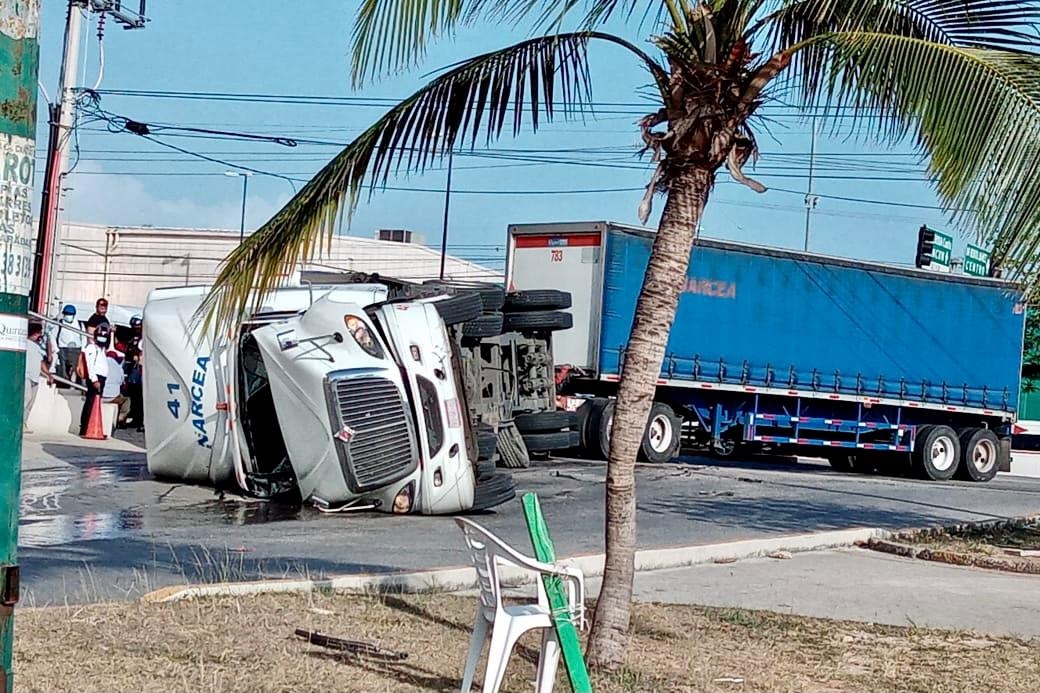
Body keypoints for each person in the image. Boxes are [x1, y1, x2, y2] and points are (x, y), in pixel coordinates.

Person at [79, 323, 111, 437]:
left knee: (95, 403)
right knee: (90, 402)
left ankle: (93, 427)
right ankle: (85, 428)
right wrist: (94, 380)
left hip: (101, 377)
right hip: (95, 378)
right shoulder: (91, 348)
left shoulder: (101, 349)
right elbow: (90, 365)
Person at [24, 322, 54, 433]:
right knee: (25, 400)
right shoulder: (24, 343)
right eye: (39, 333)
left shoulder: (38, 346)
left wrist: (48, 375)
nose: (40, 335)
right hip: (26, 376)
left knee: (31, 402)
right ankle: (19, 423)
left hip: (35, 377)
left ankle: (24, 423)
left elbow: (41, 363)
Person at [55, 304, 85, 383]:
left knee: (76, 369)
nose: (68, 316)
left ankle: (75, 385)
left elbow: (84, 338)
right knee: (63, 369)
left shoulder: (79, 324)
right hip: (62, 349)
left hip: (76, 350)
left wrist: (83, 350)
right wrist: (56, 349)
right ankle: (63, 383)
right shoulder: (59, 324)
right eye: (67, 314)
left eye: (70, 314)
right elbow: (53, 336)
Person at [103, 345, 131, 428]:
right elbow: (122, 382)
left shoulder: (101, 364)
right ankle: (121, 417)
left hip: (99, 395)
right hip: (112, 397)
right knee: (126, 400)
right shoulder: (118, 367)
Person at [125, 315, 144, 431]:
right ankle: (136, 418)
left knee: (141, 396)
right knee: (134, 395)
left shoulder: (145, 337)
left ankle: (141, 420)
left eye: (138, 327)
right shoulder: (132, 337)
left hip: (141, 368)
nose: (136, 329)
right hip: (132, 368)